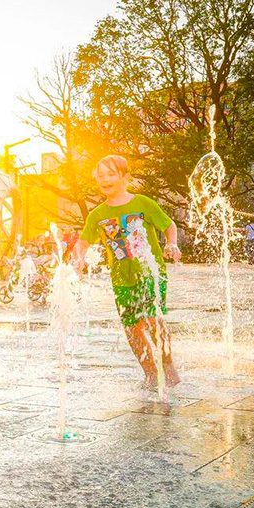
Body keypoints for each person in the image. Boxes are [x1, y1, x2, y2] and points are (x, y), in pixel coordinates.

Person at [74, 155, 182, 398]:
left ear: (125, 177)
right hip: (121, 277)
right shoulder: (97, 215)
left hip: (150, 273)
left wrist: (171, 243)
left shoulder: (143, 203)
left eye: (111, 174)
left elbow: (168, 225)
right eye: (100, 175)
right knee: (132, 326)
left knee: (153, 319)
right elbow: (82, 242)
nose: (105, 179)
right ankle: (150, 372)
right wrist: (79, 257)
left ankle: (167, 364)